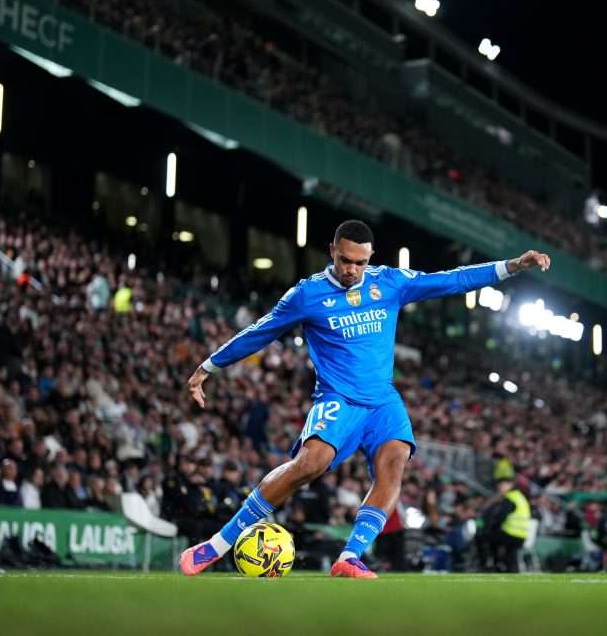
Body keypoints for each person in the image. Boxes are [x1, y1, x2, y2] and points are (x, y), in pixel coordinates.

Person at [180, 219, 550, 578]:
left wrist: (512, 266)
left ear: (370, 257)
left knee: (394, 462)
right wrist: (207, 367)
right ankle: (216, 545)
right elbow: (259, 332)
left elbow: (451, 279)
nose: (352, 270)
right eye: (345, 260)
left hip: (383, 402)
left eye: (360, 262)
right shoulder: (307, 295)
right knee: (310, 464)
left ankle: (350, 557)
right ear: (332, 251)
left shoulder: (389, 283)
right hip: (338, 399)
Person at [477, 475, 531, 573]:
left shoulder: (510, 497)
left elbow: (501, 517)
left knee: (483, 537)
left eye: (502, 485)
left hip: (510, 534)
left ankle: (490, 564)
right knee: (510, 555)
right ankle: (502, 565)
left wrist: (490, 529)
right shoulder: (520, 497)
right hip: (522, 535)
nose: (500, 488)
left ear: (510, 485)